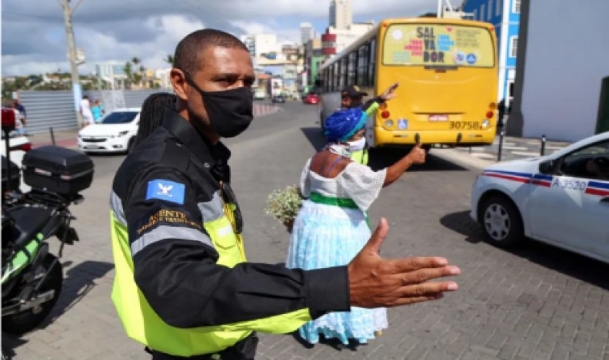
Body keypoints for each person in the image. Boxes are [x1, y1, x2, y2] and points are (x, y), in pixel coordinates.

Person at [109, 28, 459, 360]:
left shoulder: (203, 156)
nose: (240, 92)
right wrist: (337, 286)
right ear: (181, 83)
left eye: (248, 82)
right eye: (224, 80)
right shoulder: (163, 171)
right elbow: (180, 287)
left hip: (221, 338)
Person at [286, 107, 427, 347]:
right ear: (345, 136)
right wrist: (410, 159)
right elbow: (380, 179)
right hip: (338, 225)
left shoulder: (316, 157)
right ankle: (340, 324)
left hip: (311, 219)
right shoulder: (344, 165)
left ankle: (313, 320)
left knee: (316, 271)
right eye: (359, 133)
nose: (363, 136)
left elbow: (305, 189)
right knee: (345, 276)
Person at [338, 83, 398, 165]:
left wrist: (380, 99)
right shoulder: (344, 118)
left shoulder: (356, 115)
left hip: (359, 166)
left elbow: (366, 108)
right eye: (356, 98)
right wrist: (380, 99)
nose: (360, 101)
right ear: (345, 101)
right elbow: (365, 108)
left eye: (360, 98)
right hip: (349, 167)